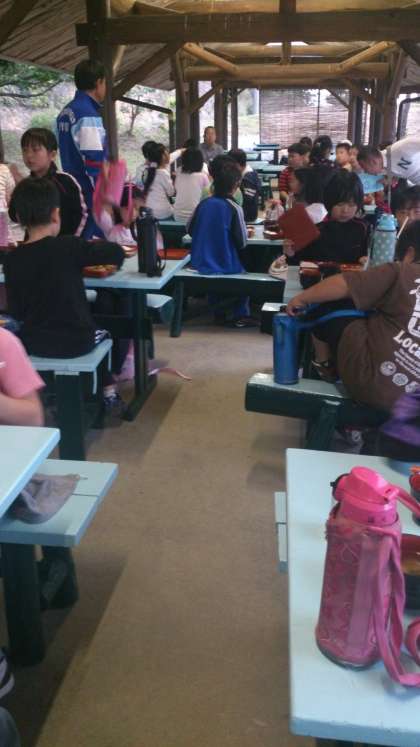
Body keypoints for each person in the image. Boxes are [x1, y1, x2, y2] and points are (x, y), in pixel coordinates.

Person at [286, 220, 420, 412]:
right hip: (413, 406)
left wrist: (301, 298)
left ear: (409, 253)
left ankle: (325, 366)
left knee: (328, 305)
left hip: (370, 383)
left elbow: (344, 285)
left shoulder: (402, 271)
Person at [5, 177, 124, 360]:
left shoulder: (12, 259)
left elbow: (16, 311)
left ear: (19, 217)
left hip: (33, 343)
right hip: (77, 342)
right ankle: (113, 376)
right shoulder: (69, 246)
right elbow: (115, 252)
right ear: (56, 214)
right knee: (110, 330)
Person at [187, 160, 252, 326]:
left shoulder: (203, 204)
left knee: (214, 274)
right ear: (236, 185)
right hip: (225, 263)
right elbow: (242, 242)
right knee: (244, 269)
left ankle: (218, 312)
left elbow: (189, 229)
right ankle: (241, 314)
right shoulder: (234, 207)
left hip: (199, 263)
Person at [56, 59, 107, 239]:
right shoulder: (87, 115)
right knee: (86, 243)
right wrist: (103, 197)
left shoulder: (65, 112)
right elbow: (93, 161)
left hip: (70, 187)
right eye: (105, 83)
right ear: (98, 82)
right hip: (87, 193)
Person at [11, 128, 87, 236]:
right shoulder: (25, 184)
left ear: (52, 155)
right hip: (35, 243)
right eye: (25, 150)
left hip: (65, 243)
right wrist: (20, 191)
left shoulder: (66, 181)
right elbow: (14, 215)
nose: (29, 155)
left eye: (35, 150)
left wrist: (71, 242)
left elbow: (82, 215)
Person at [298, 170, 369, 264]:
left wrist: (365, 259)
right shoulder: (317, 230)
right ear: (329, 202)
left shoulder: (364, 228)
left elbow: (369, 255)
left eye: (351, 205)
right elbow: (301, 260)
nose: (345, 210)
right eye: (340, 204)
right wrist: (290, 252)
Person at [173, 148, 210, 222]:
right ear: (200, 162)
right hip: (196, 218)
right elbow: (208, 196)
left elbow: (176, 189)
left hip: (178, 216)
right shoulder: (203, 176)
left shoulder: (179, 174)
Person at [228, 148, 261, 222]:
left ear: (237, 164)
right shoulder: (244, 173)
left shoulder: (249, 176)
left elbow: (247, 199)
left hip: (247, 216)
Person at [143, 142, 175, 220]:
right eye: (167, 152)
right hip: (162, 213)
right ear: (163, 157)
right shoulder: (163, 173)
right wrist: (174, 181)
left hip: (149, 211)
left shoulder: (147, 171)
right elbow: (171, 193)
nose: (169, 155)